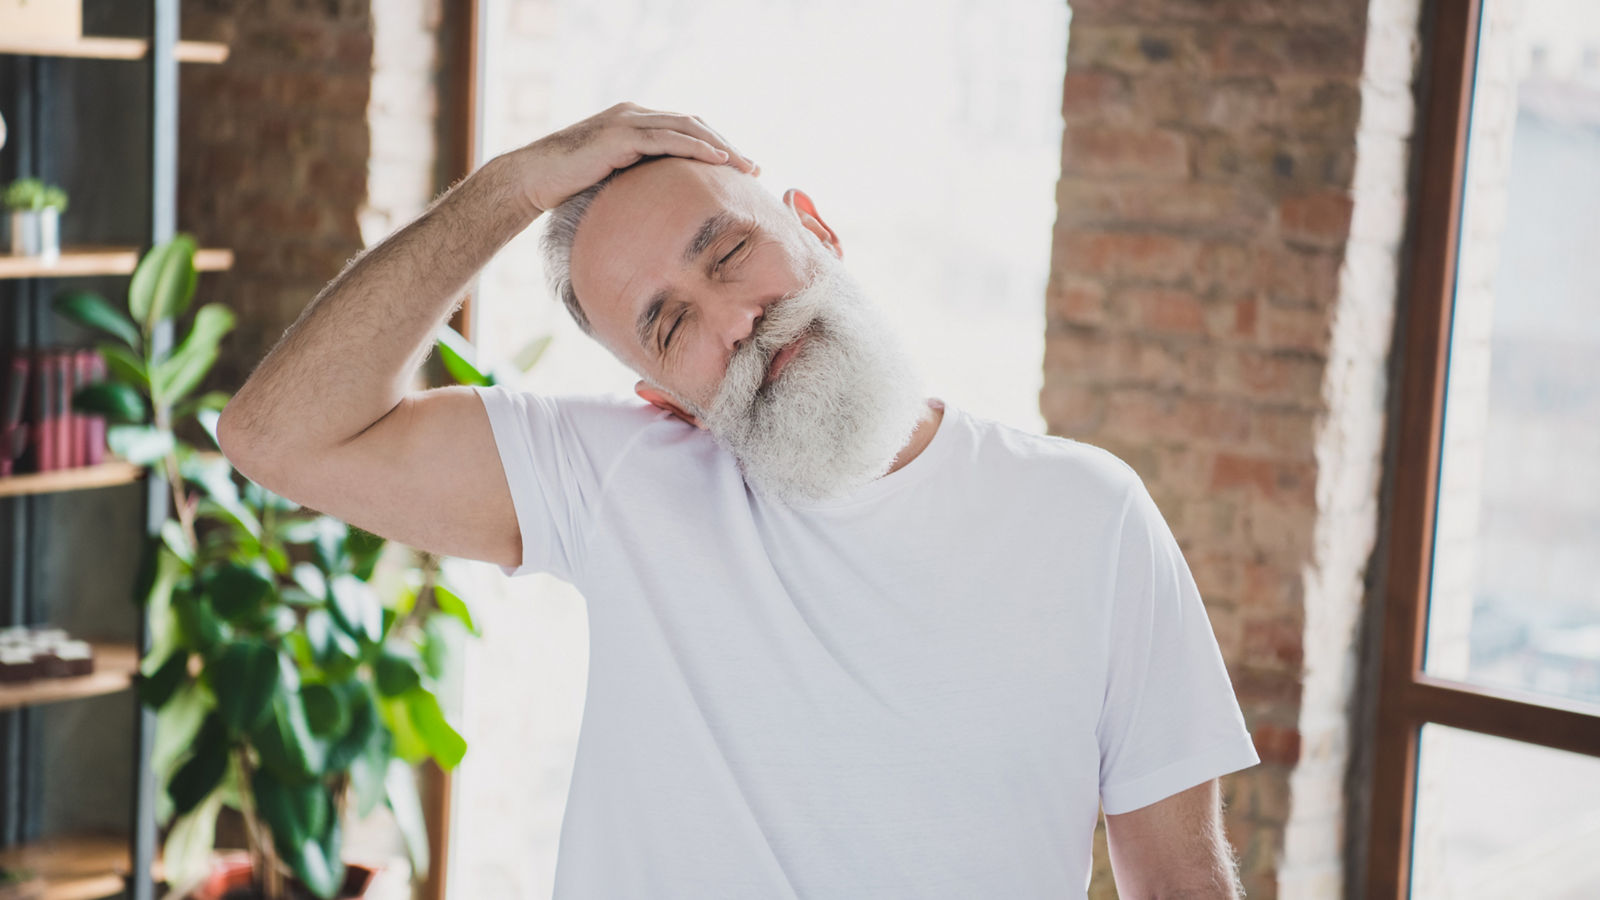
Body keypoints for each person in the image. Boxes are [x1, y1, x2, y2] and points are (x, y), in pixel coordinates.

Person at [218, 102, 1260, 899]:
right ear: (657, 395)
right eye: (670, 326)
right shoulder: (617, 479)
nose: (738, 318)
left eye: (729, 253)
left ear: (814, 227)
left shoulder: (1089, 514)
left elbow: (1179, 882)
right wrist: (506, 189)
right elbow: (275, 436)